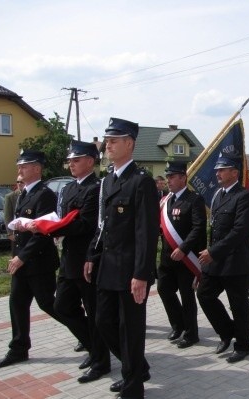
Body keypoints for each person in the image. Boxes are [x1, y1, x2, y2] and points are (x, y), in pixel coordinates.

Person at [85, 118, 159, 398]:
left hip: (131, 271)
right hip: (108, 267)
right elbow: (102, 225)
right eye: (107, 140)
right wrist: (92, 254)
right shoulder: (107, 182)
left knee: (130, 330)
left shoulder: (141, 182)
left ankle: (133, 386)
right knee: (103, 322)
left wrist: (141, 274)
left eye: (114, 140)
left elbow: (146, 234)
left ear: (130, 143)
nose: (108, 145)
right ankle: (136, 366)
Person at [30, 140, 110, 383]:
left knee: (95, 312)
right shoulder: (68, 189)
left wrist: (50, 229)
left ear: (90, 161)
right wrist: (47, 226)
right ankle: (92, 346)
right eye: (70, 161)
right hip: (68, 259)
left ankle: (101, 362)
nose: (71, 165)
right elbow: (62, 217)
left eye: (76, 160)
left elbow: (87, 224)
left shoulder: (96, 188)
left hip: (88, 259)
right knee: (62, 306)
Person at [0, 150, 60, 369]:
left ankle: (89, 333)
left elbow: (42, 233)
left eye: (24, 166)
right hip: (22, 263)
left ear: (37, 168)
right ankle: (18, 349)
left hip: (38, 263)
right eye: (19, 166)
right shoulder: (24, 194)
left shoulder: (45, 194)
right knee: (17, 304)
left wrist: (21, 257)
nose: (19, 170)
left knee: (50, 305)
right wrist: (17, 257)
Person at [197, 153, 249, 363]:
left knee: (238, 304)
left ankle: (242, 345)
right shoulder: (218, 195)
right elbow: (214, 228)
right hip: (216, 259)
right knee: (204, 295)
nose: (217, 173)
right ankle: (226, 331)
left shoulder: (244, 197)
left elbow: (240, 231)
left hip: (235, 261)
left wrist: (213, 252)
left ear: (234, 172)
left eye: (222, 169)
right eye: (217, 170)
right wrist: (211, 251)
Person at [158, 161, 206, 349]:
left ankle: (191, 333)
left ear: (183, 178)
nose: (168, 180)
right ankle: (178, 325)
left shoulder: (194, 199)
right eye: (167, 176)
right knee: (163, 289)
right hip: (167, 258)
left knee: (187, 296)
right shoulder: (165, 199)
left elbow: (199, 227)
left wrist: (184, 248)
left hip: (186, 259)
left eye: (172, 176)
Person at [3, 178, 24, 253]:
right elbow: (7, 216)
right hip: (15, 231)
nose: (19, 183)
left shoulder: (32, 195)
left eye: (21, 182)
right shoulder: (10, 197)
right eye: (17, 182)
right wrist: (10, 233)